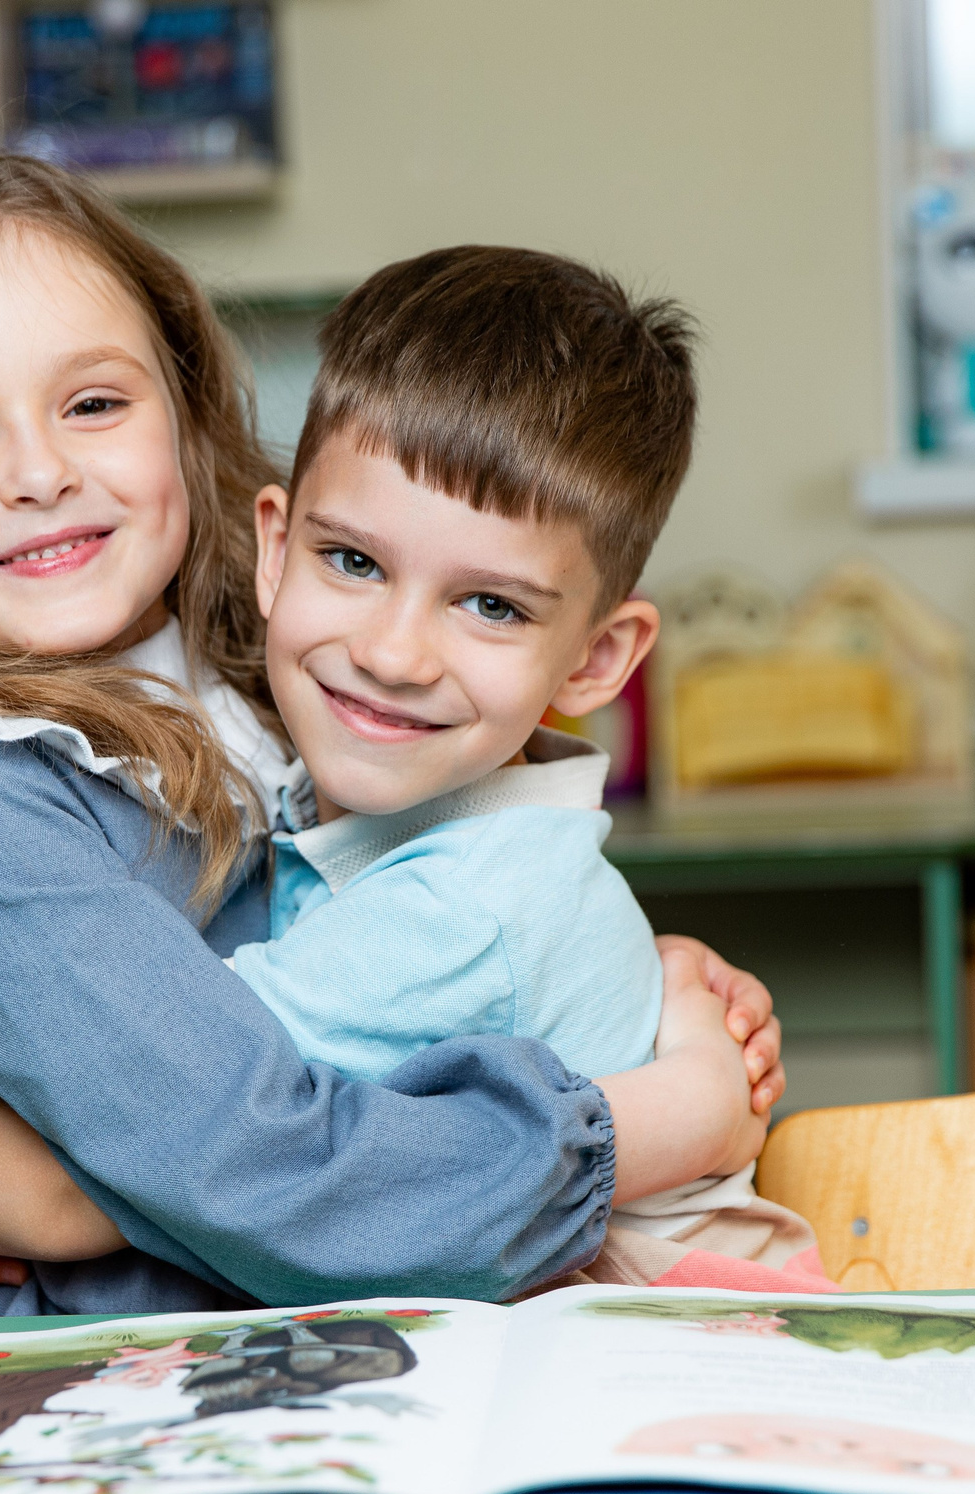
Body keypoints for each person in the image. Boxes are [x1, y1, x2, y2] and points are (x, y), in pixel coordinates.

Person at [0, 155, 783, 1319]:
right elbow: (246, 1167)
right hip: (72, 1400)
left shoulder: (270, 680)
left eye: (91, 403)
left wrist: (630, 986)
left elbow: (433, 935)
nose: (39, 473)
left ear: (181, 414)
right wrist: (651, 1116)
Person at [224, 246, 827, 1287]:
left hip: (663, 1361)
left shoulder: (471, 907)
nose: (391, 653)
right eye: (354, 562)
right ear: (273, 550)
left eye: (490, 605)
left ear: (596, 659)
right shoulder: (326, 792)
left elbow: (153, 1112)